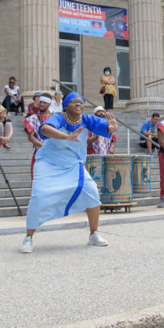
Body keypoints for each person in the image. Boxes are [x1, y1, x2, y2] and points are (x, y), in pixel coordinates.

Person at [20, 92, 118, 253]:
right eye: (74, 102)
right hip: (48, 163)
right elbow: (44, 129)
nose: (79, 104)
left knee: (92, 191)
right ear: (66, 105)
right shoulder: (59, 117)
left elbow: (109, 128)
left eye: (81, 102)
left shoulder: (86, 119)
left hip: (72, 164)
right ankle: (28, 237)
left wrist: (113, 127)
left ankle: (94, 234)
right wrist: (66, 137)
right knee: (38, 196)